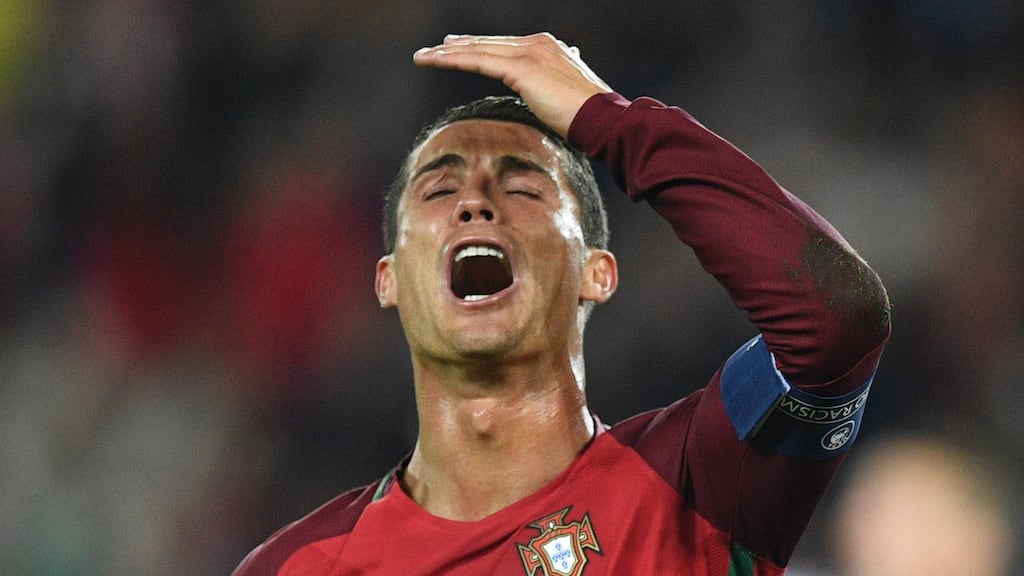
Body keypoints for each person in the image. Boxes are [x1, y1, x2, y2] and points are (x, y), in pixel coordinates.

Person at [233, 33, 891, 575]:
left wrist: (610, 119)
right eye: (437, 193)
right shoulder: (298, 566)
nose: (475, 203)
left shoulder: (695, 484)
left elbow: (836, 318)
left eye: (524, 190)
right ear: (390, 280)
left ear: (596, 273)